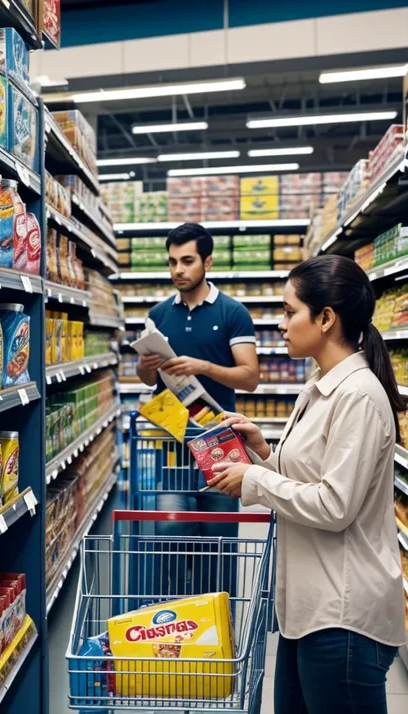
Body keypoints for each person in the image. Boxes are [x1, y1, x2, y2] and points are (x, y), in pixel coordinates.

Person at [209, 255, 406, 714]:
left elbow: (334, 505)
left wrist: (254, 480)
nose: (281, 324)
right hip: (308, 610)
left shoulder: (357, 395)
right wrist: (263, 452)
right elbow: (312, 476)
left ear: (325, 318)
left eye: (289, 311)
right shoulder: (319, 386)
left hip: (344, 618)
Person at [136, 222, 259, 593]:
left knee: (217, 537)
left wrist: (202, 367)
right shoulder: (158, 314)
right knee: (170, 530)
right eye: (172, 261)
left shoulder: (233, 312)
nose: (178, 270)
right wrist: (146, 365)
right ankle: (177, 616)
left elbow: (250, 377)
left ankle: (218, 622)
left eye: (187, 261)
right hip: (172, 442)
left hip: (220, 444)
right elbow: (145, 381)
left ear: (207, 261)